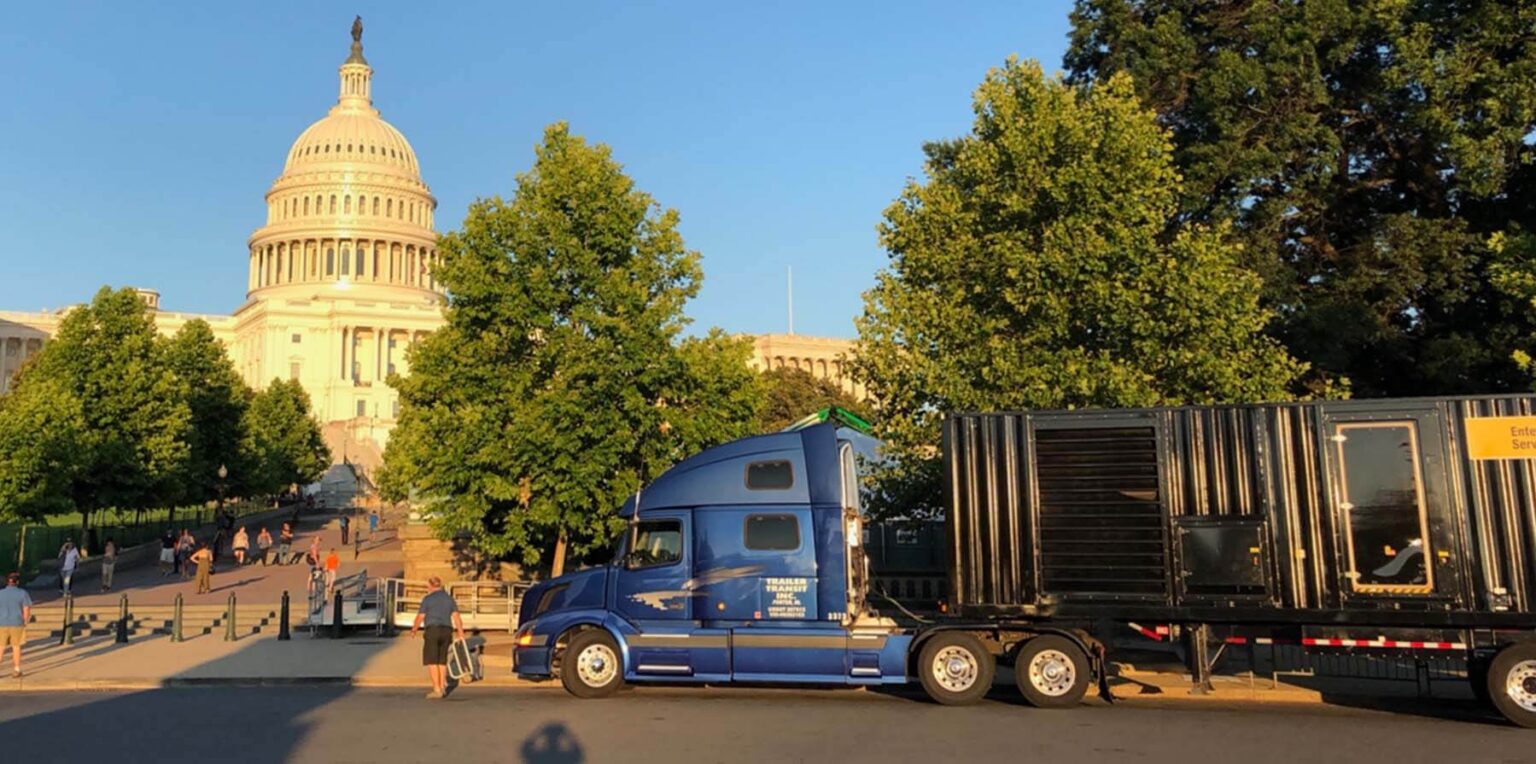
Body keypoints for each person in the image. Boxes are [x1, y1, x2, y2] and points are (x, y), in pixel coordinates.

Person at [410, 576, 465, 700]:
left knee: (432, 660)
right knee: (442, 660)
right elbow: (456, 617)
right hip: (446, 630)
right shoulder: (449, 599)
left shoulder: (427, 599)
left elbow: (421, 616)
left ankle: (437, 688)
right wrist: (460, 632)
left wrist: (414, 629)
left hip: (432, 630)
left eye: (427, 586)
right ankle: (442, 685)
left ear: (430, 586)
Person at [0, 572, 33, 679]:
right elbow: (26, 608)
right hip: (17, 622)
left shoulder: (1, 593)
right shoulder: (22, 593)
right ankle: (16, 669)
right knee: (16, 647)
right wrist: (25, 621)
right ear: (17, 582)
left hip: (2, 622)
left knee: (0, 647)